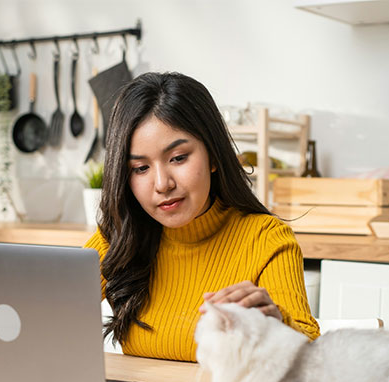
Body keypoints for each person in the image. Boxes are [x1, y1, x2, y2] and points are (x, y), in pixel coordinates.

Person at [84, 72, 319, 362]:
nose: (162, 184)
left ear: (214, 156)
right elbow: (46, 309)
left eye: (178, 158)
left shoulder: (266, 238)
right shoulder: (118, 237)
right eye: (140, 168)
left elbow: (311, 353)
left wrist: (276, 324)